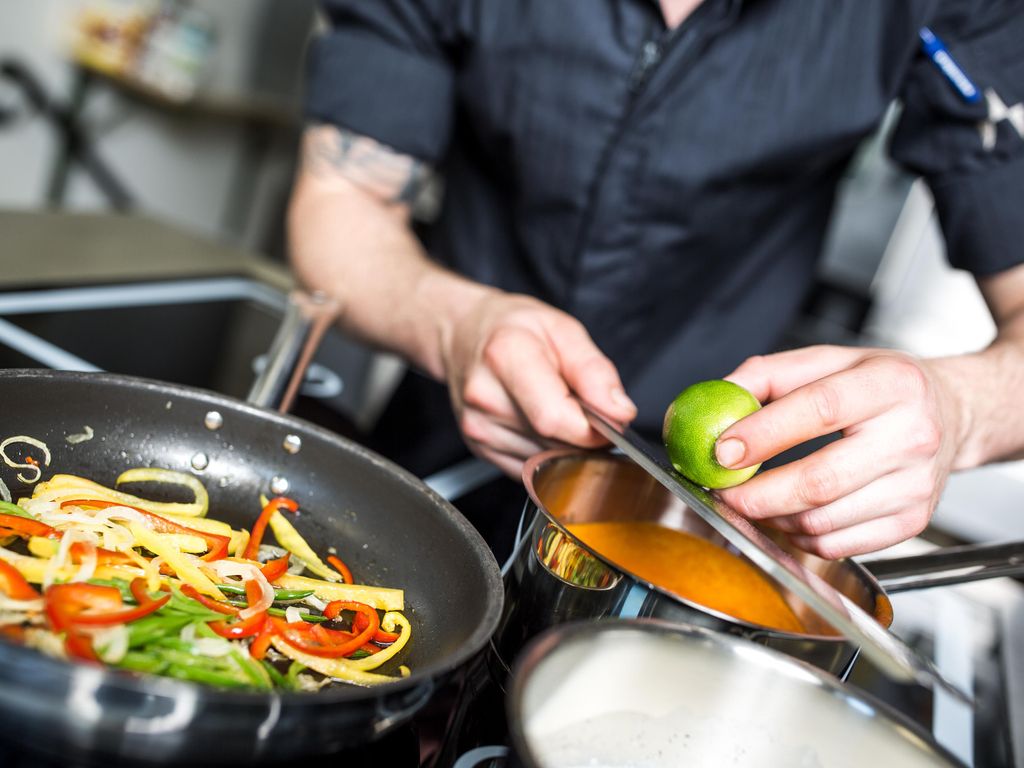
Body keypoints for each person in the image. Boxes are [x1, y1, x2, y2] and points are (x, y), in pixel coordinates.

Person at [288, 0, 1024, 560]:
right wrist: (453, 324)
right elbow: (341, 197)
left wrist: (959, 409)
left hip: (694, 515)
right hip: (445, 440)